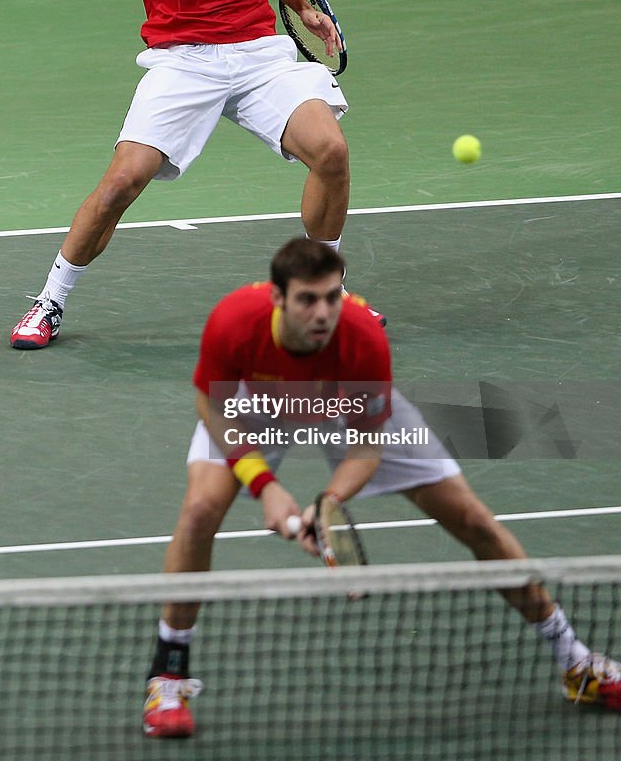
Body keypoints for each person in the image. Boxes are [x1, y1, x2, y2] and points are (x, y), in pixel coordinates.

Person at [143, 238, 621, 738]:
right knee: (199, 512)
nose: (324, 311)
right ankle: (168, 674)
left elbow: (367, 444)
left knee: (474, 520)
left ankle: (577, 663)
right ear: (279, 298)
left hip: (342, 403)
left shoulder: (363, 337)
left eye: (332, 296)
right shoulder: (234, 321)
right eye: (308, 299)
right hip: (253, 404)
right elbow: (213, 409)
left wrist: (329, 503)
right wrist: (263, 486)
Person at [10, 0, 358, 350]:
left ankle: (323, 293)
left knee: (332, 152)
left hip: (258, 54)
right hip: (183, 61)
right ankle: (51, 300)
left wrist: (297, 2)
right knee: (120, 185)